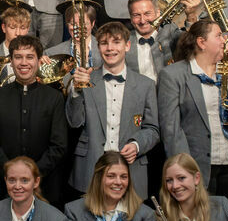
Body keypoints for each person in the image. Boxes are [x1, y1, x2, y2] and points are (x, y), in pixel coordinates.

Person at [156, 21, 228, 206]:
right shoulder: (173, 75)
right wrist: (183, 171)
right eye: (218, 35)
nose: (225, 40)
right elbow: (170, 129)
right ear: (202, 42)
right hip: (198, 167)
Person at [65, 22, 160, 199]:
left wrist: (137, 145)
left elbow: (153, 129)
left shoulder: (146, 85)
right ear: (98, 47)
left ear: (127, 45)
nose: (110, 48)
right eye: (104, 43)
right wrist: (76, 91)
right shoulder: (85, 80)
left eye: (116, 42)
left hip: (131, 169)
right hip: (91, 167)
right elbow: (74, 122)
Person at [0, 35, 68, 204]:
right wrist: (12, 175)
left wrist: (33, 174)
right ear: (11, 61)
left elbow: (59, 145)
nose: (23, 63)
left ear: (39, 61)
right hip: (2, 186)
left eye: (29, 57)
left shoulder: (54, 98)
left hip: (44, 186)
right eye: (18, 57)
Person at [124, 0, 178, 81]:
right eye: (136, 15)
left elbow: (193, 45)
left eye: (147, 14)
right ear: (131, 18)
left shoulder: (171, 33)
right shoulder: (124, 41)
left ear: (158, 13)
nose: (142, 20)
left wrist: (191, 16)